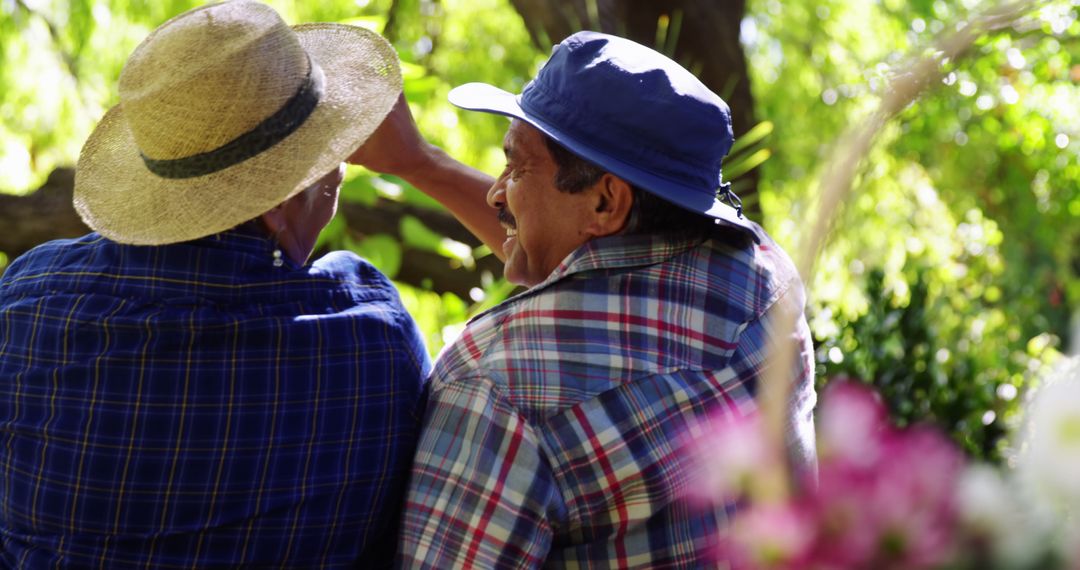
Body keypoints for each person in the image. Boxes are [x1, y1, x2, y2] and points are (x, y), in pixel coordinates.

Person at [353, 31, 818, 567]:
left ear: (605, 201)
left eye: (517, 167)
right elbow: (573, 264)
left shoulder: (499, 387)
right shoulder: (762, 275)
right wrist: (421, 163)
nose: (496, 192)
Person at [0, 1, 429, 567]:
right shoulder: (370, 336)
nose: (338, 174)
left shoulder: (28, 303)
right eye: (328, 159)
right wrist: (423, 163)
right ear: (279, 203)